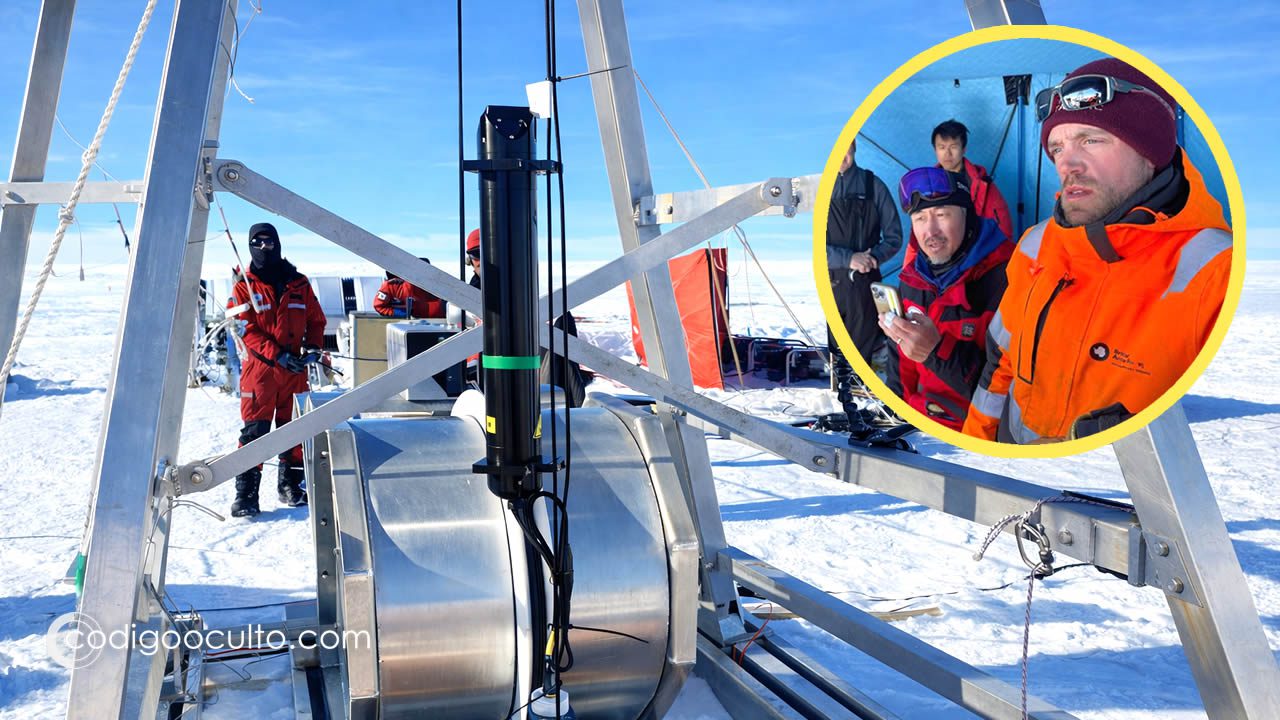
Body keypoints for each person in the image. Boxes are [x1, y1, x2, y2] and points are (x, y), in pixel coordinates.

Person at [963, 58, 1233, 443]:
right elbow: (999, 365)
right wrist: (978, 451)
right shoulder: (1034, 245)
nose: (1066, 164)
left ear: (1151, 150)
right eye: (1056, 147)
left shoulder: (1217, 273)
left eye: (1091, 139)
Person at [882, 167, 1012, 430]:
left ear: (967, 215)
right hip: (916, 423)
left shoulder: (1007, 280)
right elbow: (900, 362)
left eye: (942, 215)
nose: (931, 231)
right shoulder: (913, 279)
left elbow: (1010, 396)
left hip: (974, 432)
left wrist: (936, 351)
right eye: (919, 218)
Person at [227, 223, 326, 516]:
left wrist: (312, 348)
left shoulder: (300, 283)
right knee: (255, 433)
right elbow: (246, 329)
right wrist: (278, 356)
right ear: (250, 246)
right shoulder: (244, 286)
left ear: (278, 243)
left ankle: (291, 485)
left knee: (293, 429)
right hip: (260, 373)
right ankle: (246, 495)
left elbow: (316, 320)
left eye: (269, 242)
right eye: (257, 243)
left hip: (294, 372)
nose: (264, 248)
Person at [826, 137, 904, 369]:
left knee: (859, 355)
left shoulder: (873, 186)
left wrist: (873, 259)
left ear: (854, 147)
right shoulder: (817, 188)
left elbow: (894, 238)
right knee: (833, 355)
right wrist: (848, 258)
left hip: (863, 286)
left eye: (845, 147)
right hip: (828, 281)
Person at [932, 119, 1013, 241]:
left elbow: (1003, 228)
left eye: (953, 146)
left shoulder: (982, 184)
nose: (947, 153)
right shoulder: (927, 186)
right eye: (942, 147)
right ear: (935, 150)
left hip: (976, 251)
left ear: (964, 149)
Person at [373, 258, 446, 318]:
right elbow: (379, 307)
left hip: (440, 320)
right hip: (414, 324)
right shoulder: (391, 286)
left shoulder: (436, 283)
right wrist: (403, 313)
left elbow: (445, 299)